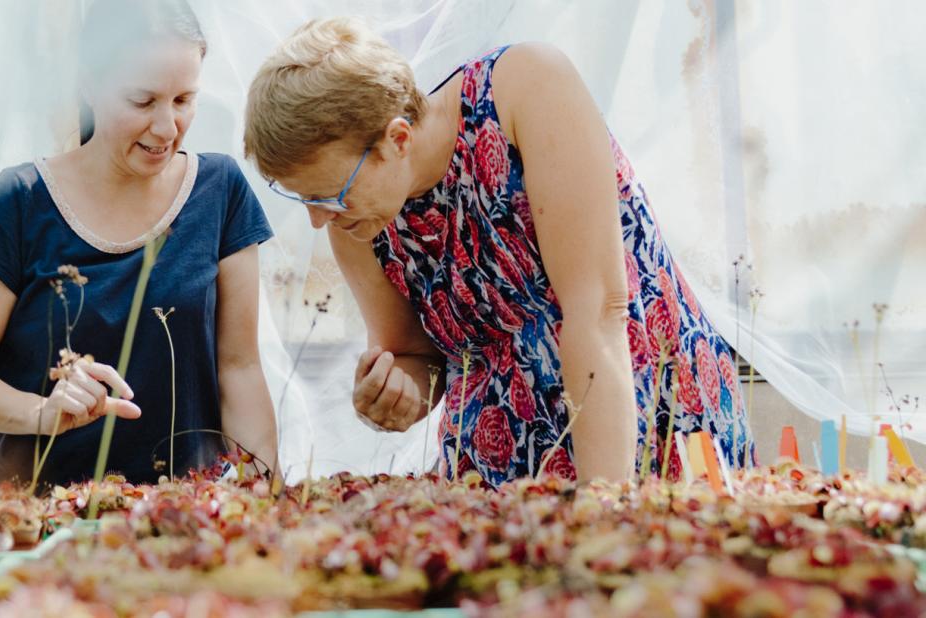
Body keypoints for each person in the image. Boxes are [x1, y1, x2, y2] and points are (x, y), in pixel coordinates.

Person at [242, 18, 754, 486]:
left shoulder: (525, 90)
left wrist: (604, 506)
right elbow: (421, 359)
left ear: (395, 139)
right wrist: (399, 392)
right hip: (500, 471)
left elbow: (597, 310)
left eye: (327, 194)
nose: (317, 218)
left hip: (639, 426)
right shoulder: (356, 223)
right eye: (302, 197)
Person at [0, 0, 278, 487]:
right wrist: (41, 413)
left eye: (183, 100)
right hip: (38, 512)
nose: (167, 128)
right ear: (89, 84)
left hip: (188, 516)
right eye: (142, 101)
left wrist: (261, 495)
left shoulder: (221, 190)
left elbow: (239, 369)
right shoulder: (20, 201)